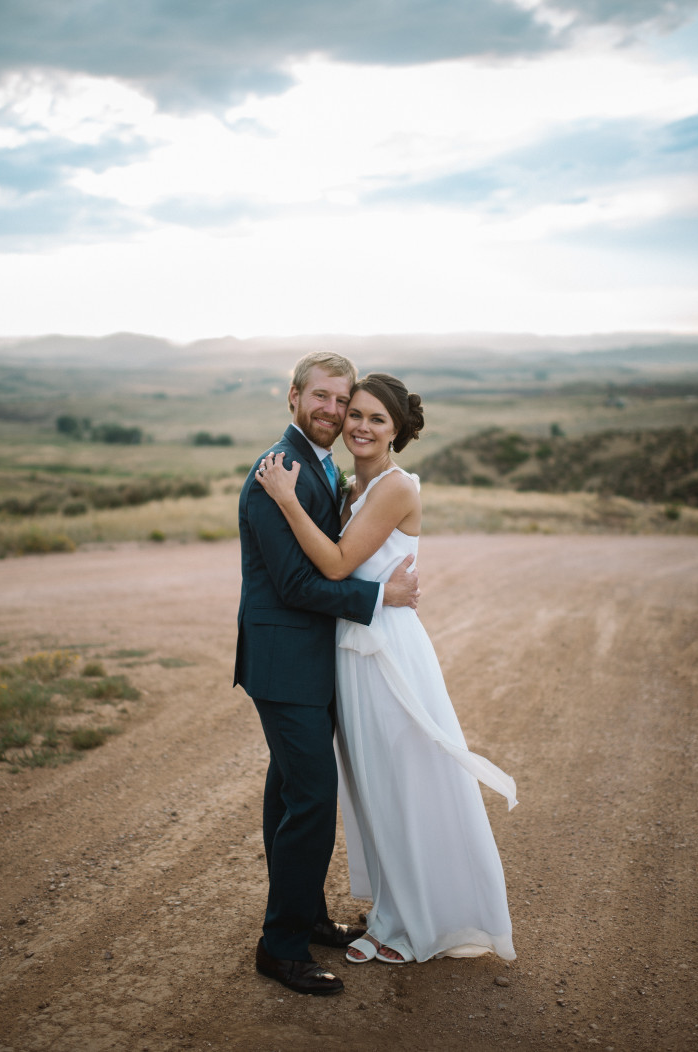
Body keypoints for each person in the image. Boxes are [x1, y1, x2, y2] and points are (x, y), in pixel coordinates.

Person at [256, 372, 517, 967]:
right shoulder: (351, 488)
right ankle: (391, 911)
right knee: (373, 788)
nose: (361, 426)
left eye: (377, 418)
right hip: (352, 652)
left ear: (397, 429)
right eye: (356, 414)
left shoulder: (395, 488)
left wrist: (287, 501)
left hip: (388, 653)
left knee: (407, 781)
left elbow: (340, 564)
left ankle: (418, 922)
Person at [234, 352, 420, 996]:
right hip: (285, 662)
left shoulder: (321, 466)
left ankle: (306, 918)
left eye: (343, 401)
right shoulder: (277, 470)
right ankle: (280, 947)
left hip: (310, 662)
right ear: (293, 397)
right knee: (313, 798)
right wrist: (377, 600)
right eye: (322, 397)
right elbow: (292, 582)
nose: (333, 411)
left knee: (290, 793)